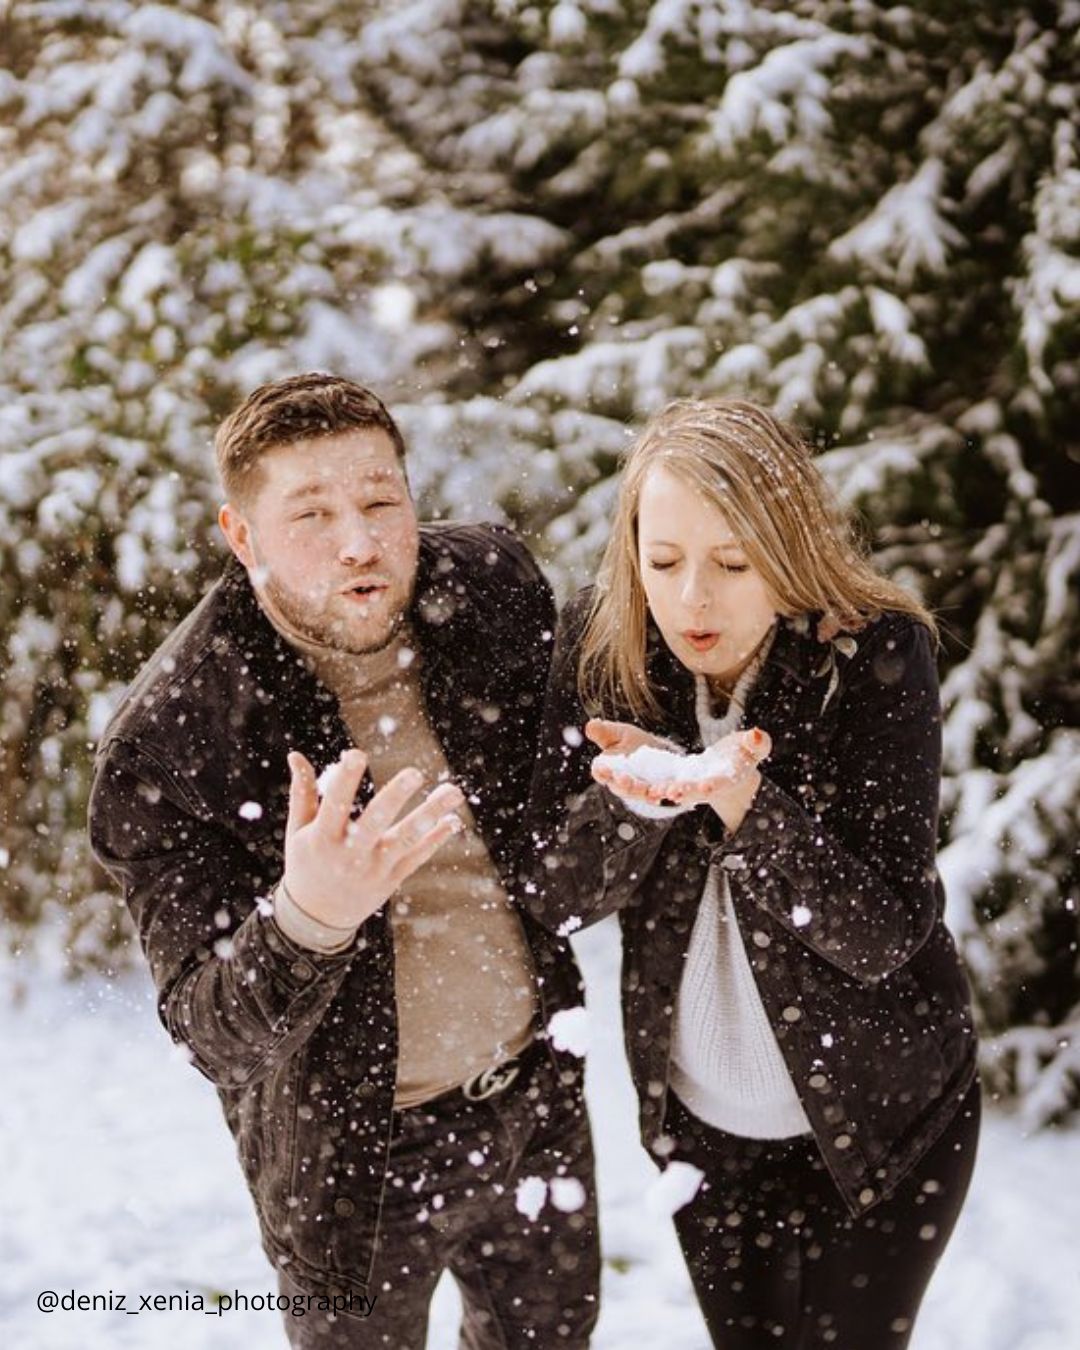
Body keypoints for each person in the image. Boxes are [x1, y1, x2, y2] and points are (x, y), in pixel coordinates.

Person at [88, 373, 599, 1348]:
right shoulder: (172, 739)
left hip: (535, 1102)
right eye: (311, 514)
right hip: (347, 1164)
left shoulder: (490, 588)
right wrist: (310, 917)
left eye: (379, 500)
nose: (359, 542)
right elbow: (211, 1033)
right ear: (242, 537)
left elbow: (578, 768)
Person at [519, 398, 979, 1349]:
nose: (692, 601)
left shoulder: (875, 654)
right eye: (664, 561)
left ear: (789, 546)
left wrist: (744, 807)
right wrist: (638, 803)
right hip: (704, 1136)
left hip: (886, 1124)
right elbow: (553, 897)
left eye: (733, 564)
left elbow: (884, 929)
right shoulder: (606, 652)